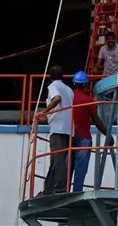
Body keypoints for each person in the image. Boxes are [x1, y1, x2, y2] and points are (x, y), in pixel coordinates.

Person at [70, 70, 113, 192]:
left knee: (68, 167)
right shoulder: (88, 100)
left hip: (69, 136)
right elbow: (96, 120)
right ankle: (76, 192)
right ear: (85, 85)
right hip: (83, 137)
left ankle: (63, 191)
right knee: (81, 168)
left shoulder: (68, 98)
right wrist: (108, 135)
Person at [36, 66, 74, 195]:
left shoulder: (53, 86)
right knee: (57, 160)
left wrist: (43, 112)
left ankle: (59, 189)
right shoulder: (69, 90)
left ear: (50, 77)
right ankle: (48, 189)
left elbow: (57, 98)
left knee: (57, 161)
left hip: (58, 128)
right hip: (68, 128)